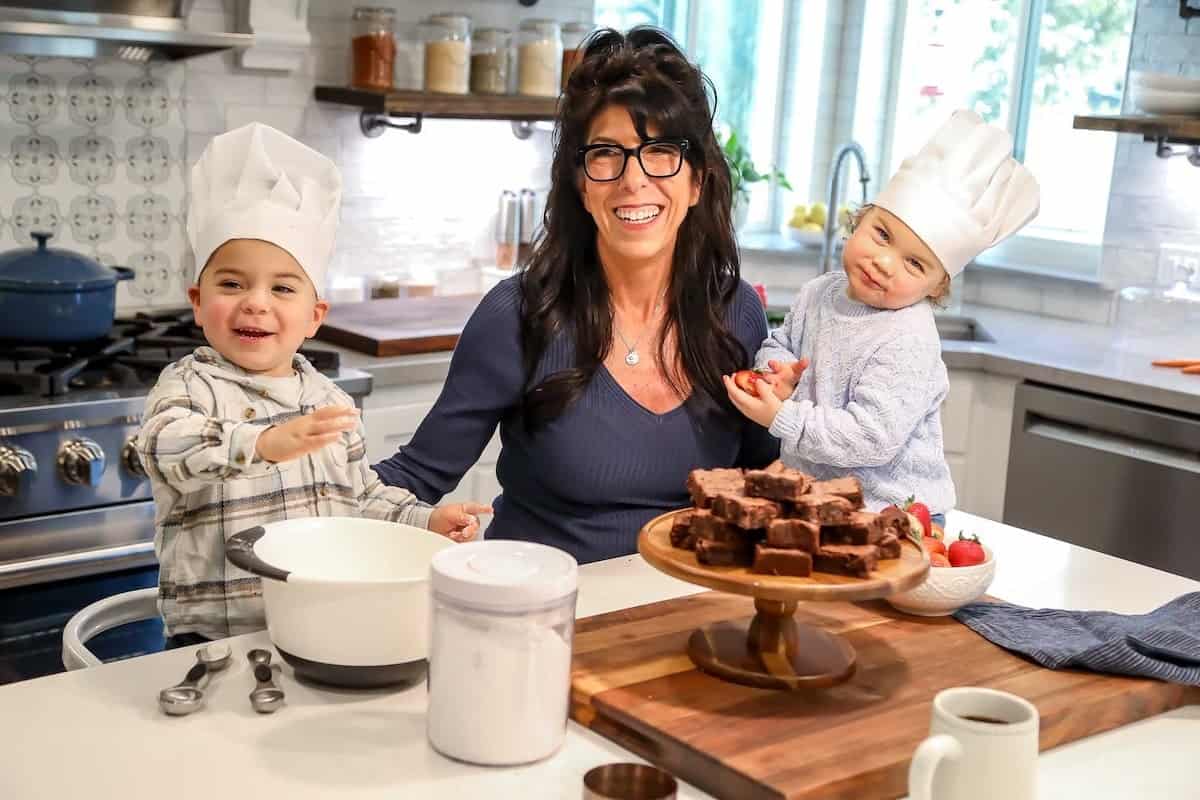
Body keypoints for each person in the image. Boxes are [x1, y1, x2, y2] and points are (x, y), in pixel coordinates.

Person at [373, 28, 778, 564]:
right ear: (582, 185)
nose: (633, 181)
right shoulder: (520, 315)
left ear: (698, 182)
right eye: (607, 154)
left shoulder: (736, 313)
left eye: (660, 152)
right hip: (538, 615)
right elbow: (414, 477)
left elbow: (766, 481)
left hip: (685, 612)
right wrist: (287, 484)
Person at [135, 123, 487, 641]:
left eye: (282, 287)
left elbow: (361, 501)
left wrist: (424, 521)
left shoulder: (329, 401)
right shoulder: (188, 387)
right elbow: (164, 448)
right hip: (212, 639)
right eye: (232, 283)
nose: (256, 301)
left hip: (319, 623)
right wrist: (263, 443)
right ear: (196, 301)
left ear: (314, 314)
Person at [725, 109, 1040, 521]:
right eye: (882, 235)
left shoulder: (908, 339)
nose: (885, 263)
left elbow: (871, 437)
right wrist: (777, 373)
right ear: (860, 218)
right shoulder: (819, 293)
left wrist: (784, 417)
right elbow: (780, 343)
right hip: (819, 505)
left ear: (936, 288)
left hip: (890, 515)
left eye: (914, 264)